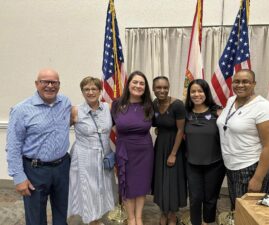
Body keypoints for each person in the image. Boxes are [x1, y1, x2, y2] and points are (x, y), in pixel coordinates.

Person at [6, 69, 71, 225]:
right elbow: (13, 146)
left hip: (62, 168)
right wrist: (18, 177)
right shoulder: (21, 110)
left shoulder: (65, 103)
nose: (50, 86)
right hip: (35, 171)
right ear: (37, 84)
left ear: (59, 85)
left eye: (54, 82)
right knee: (36, 218)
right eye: (45, 82)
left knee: (62, 213)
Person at [216, 69, 269, 210]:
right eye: (237, 81)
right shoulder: (231, 101)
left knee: (253, 211)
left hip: (253, 166)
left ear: (254, 84)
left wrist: (258, 178)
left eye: (245, 81)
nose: (240, 85)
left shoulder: (264, 108)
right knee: (238, 207)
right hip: (233, 165)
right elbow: (231, 121)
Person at [67, 77, 116, 225]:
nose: (90, 92)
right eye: (86, 89)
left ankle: (97, 217)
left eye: (94, 89)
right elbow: (60, 131)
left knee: (102, 188)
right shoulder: (75, 110)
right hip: (83, 156)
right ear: (82, 92)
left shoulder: (108, 107)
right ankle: (91, 220)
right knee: (88, 189)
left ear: (100, 91)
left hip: (103, 155)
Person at [111, 71, 154, 225]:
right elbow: (111, 125)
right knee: (127, 184)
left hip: (144, 151)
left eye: (142, 83)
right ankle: (130, 218)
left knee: (141, 184)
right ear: (128, 84)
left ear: (145, 87)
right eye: (135, 82)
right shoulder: (117, 104)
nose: (138, 86)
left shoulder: (149, 105)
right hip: (125, 150)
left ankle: (139, 217)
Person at [184, 79, 225, 225]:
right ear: (189, 94)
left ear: (206, 93)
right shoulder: (185, 113)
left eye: (200, 91)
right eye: (193, 91)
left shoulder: (218, 112)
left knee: (210, 198)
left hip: (215, 164)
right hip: (192, 164)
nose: (197, 94)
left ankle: (208, 222)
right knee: (195, 198)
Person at [152, 76, 187, 225]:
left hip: (175, 146)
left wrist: (173, 154)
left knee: (172, 181)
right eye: (158, 88)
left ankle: (172, 214)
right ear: (153, 89)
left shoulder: (177, 105)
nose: (162, 90)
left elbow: (181, 130)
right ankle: (163, 212)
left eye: (165, 87)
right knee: (160, 180)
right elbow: (156, 124)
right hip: (160, 146)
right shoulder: (154, 104)